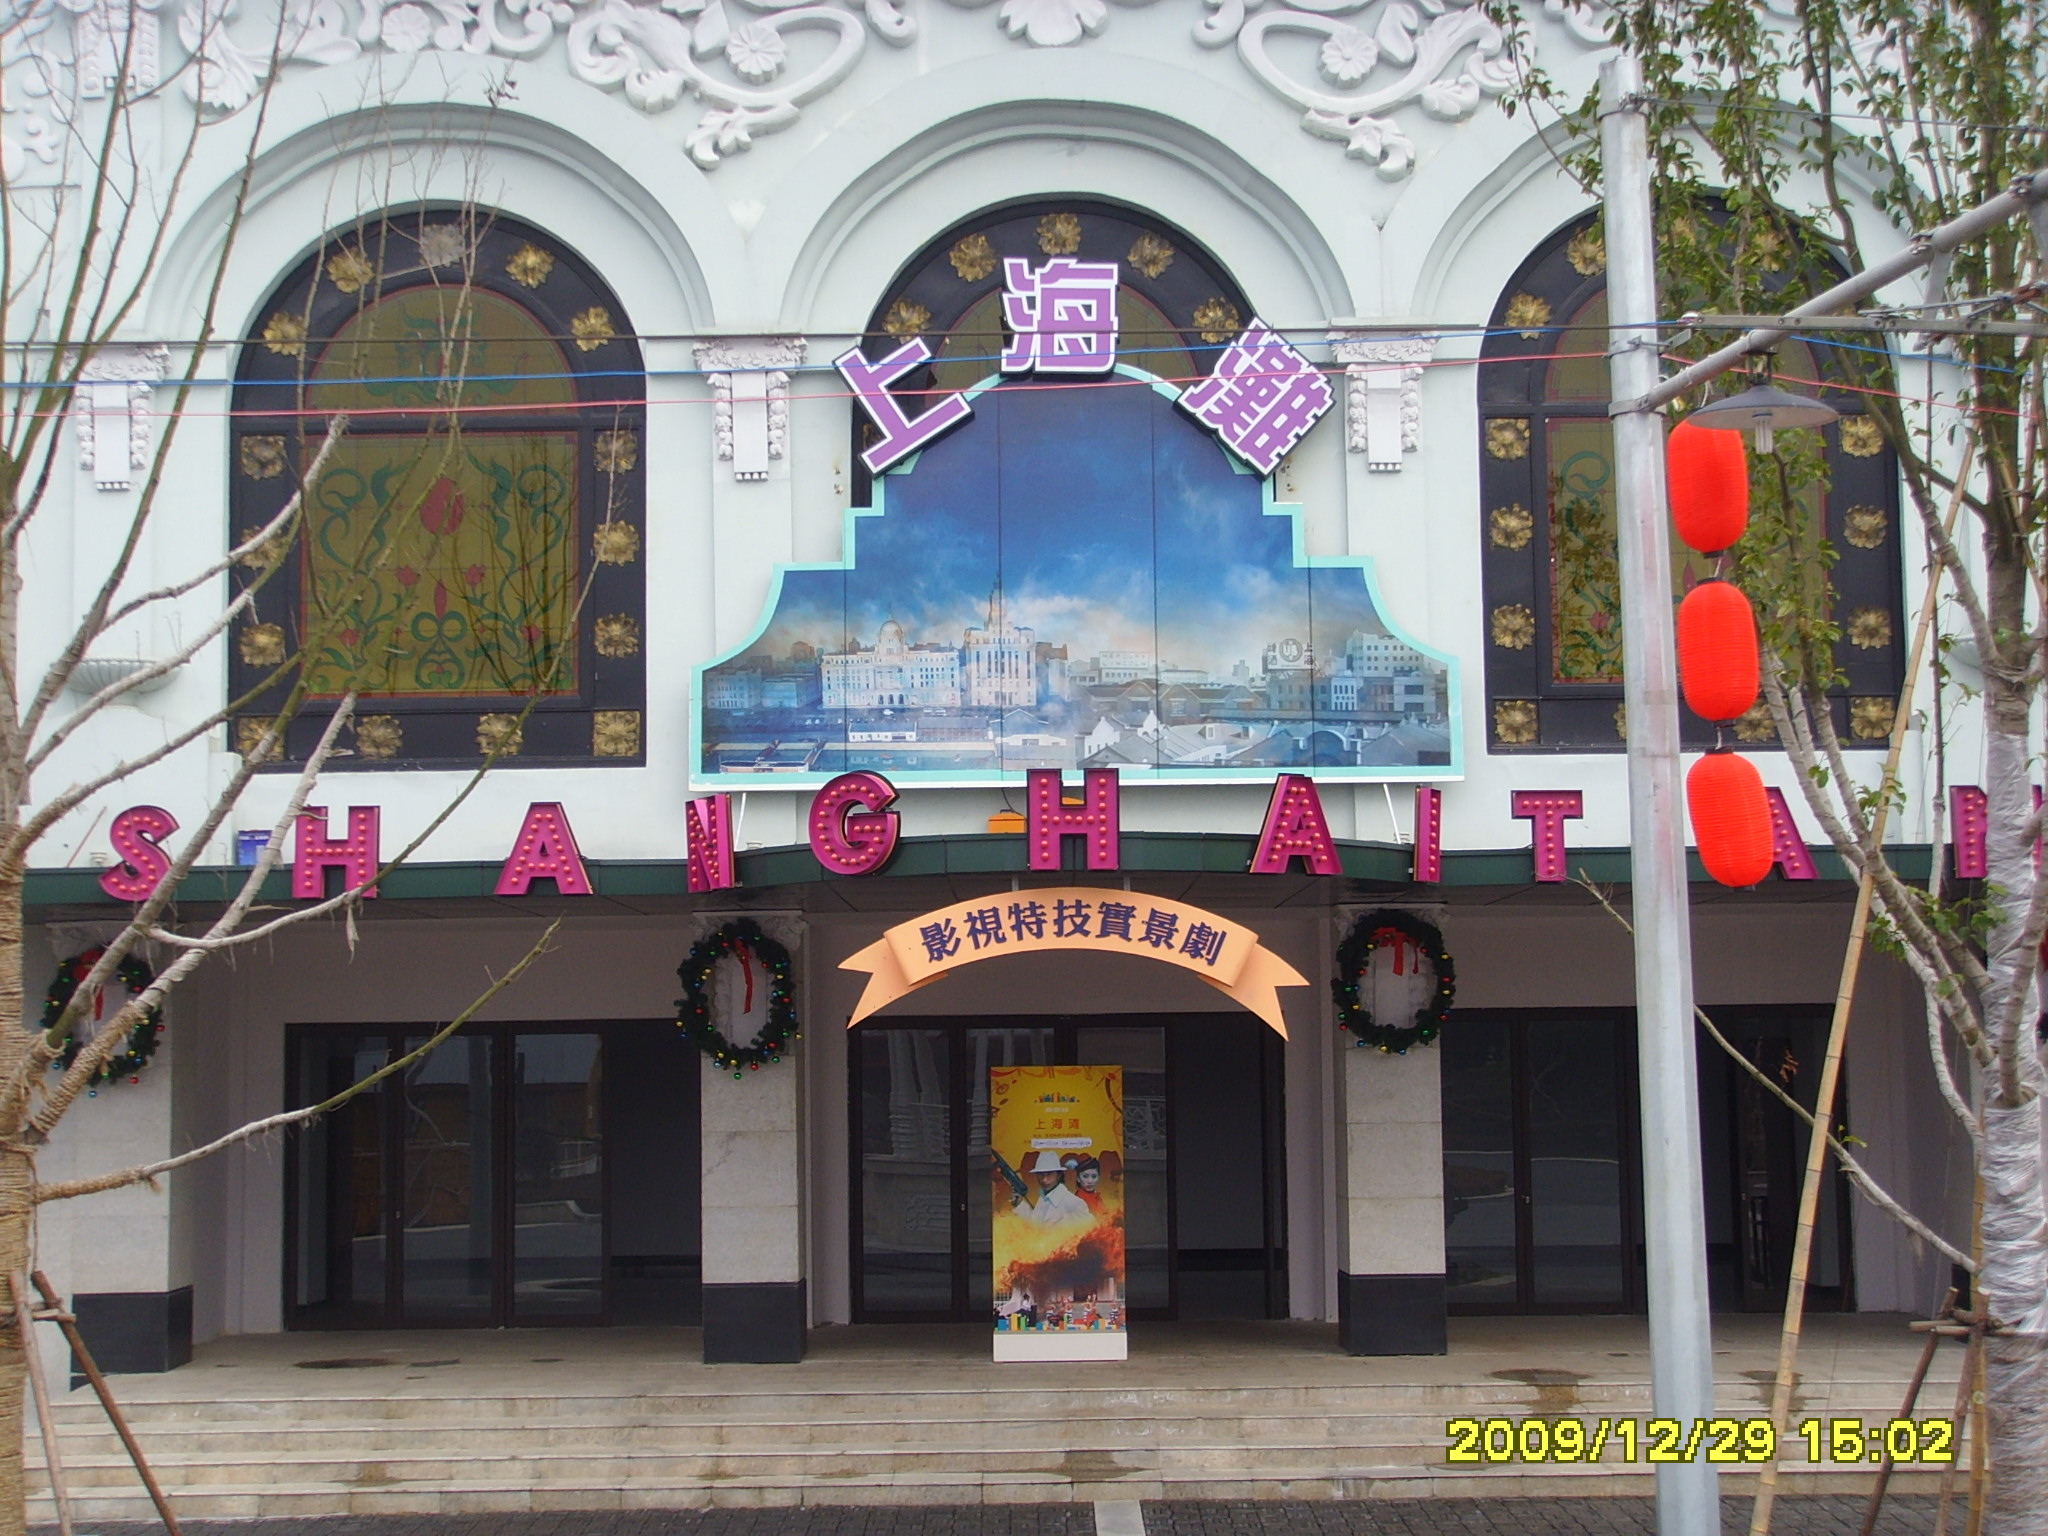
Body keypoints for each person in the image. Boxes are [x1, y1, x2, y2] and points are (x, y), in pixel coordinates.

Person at [1014, 1149, 1088, 1225]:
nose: (1044, 1180)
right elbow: (1035, 1225)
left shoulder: (1074, 1203)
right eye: (1041, 1174)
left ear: (1059, 1175)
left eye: (1049, 1174)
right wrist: (1019, 1204)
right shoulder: (1043, 1198)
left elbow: (1090, 1229)